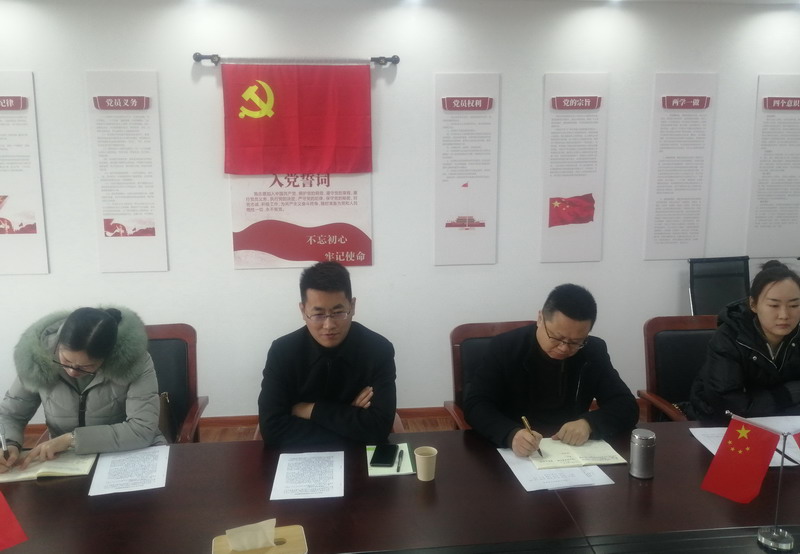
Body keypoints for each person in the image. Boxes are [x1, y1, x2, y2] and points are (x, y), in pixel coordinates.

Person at [464, 284, 638, 457]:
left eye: (576, 342)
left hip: (569, 450)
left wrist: (589, 423)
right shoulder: (505, 347)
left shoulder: (593, 351)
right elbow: (475, 404)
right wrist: (510, 434)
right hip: (516, 452)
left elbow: (626, 405)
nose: (564, 348)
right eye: (556, 337)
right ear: (540, 319)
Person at [0, 306, 164, 473]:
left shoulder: (135, 363)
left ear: (107, 358)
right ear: (58, 345)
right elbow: (9, 414)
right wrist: (9, 443)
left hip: (127, 453)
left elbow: (142, 429)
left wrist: (72, 440)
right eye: (65, 361)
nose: (72, 371)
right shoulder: (37, 360)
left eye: (86, 367)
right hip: (66, 460)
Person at [258, 261, 397, 447]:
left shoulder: (378, 350)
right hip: (299, 458)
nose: (329, 325)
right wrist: (350, 418)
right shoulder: (282, 352)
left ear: (352, 306)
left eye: (338, 312)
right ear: (303, 311)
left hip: (357, 457)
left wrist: (310, 410)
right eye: (318, 314)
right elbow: (273, 430)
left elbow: (378, 428)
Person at [690, 260, 800, 422]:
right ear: (753, 304)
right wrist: (787, 394)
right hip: (719, 423)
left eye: (794, 305)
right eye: (774, 305)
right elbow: (729, 405)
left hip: (785, 422)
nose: (784, 315)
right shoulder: (729, 337)